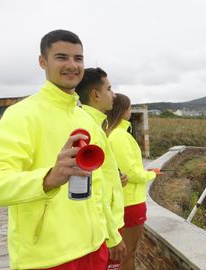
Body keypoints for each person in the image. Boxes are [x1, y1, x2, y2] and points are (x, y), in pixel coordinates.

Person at [0, 29, 124, 270]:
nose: (72, 65)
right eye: (61, 57)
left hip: (94, 249)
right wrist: (48, 178)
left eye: (78, 58)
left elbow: (100, 186)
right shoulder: (21, 115)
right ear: (42, 62)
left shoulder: (86, 119)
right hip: (47, 259)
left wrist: (111, 234)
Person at [75, 67, 129, 266]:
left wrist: (117, 178)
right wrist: (112, 235)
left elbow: (102, 176)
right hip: (105, 229)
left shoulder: (96, 125)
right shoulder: (90, 128)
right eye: (109, 89)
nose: (113, 95)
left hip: (105, 226)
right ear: (96, 94)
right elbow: (95, 188)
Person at [106, 93, 159, 270]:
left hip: (125, 203)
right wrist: (151, 175)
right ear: (124, 110)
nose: (130, 111)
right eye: (129, 107)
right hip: (130, 203)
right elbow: (131, 172)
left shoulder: (113, 133)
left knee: (124, 254)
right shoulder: (119, 136)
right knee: (128, 254)